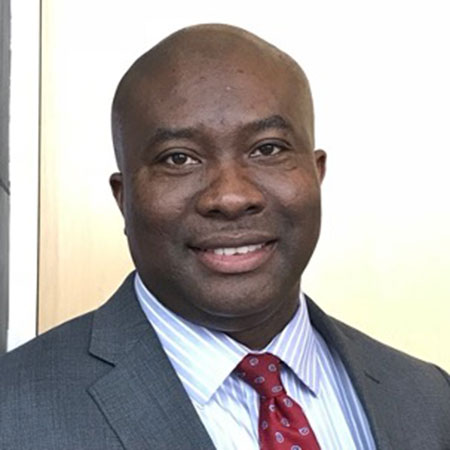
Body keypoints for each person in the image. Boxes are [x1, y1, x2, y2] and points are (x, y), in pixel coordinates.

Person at [0, 24, 449, 450]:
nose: (231, 197)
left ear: (316, 173)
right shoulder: (12, 412)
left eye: (268, 149)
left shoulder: (430, 400)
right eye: (178, 158)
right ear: (124, 198)